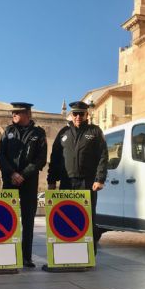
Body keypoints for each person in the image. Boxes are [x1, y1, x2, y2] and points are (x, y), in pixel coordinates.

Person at [46, 100, 108, 256]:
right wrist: (51, 180)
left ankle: (89, 255)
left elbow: (103, 156)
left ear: (87, 114)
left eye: (81, 114)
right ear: (71, 115)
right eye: (75, 114)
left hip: (87, 182)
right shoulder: (63, 133)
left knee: (88, 218)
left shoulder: (95, 132)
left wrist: (99, 179)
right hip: (67, 182)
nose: (78, 117)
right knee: (67, 216)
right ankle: (68, 253)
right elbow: (55, 158)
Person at [0, 102, 47, 267]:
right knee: (5, 218)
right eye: (13, 113)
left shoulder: (38, 133)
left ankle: (26, 257)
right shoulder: (8, 131)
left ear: (27, 114)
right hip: (10, 180)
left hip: (29, 181)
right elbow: (0, 156)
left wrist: (23, 175)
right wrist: (12, 173)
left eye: (17, 113)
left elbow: (41, 159)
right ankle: (5, 254)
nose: (13, 115)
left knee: (28, 220)